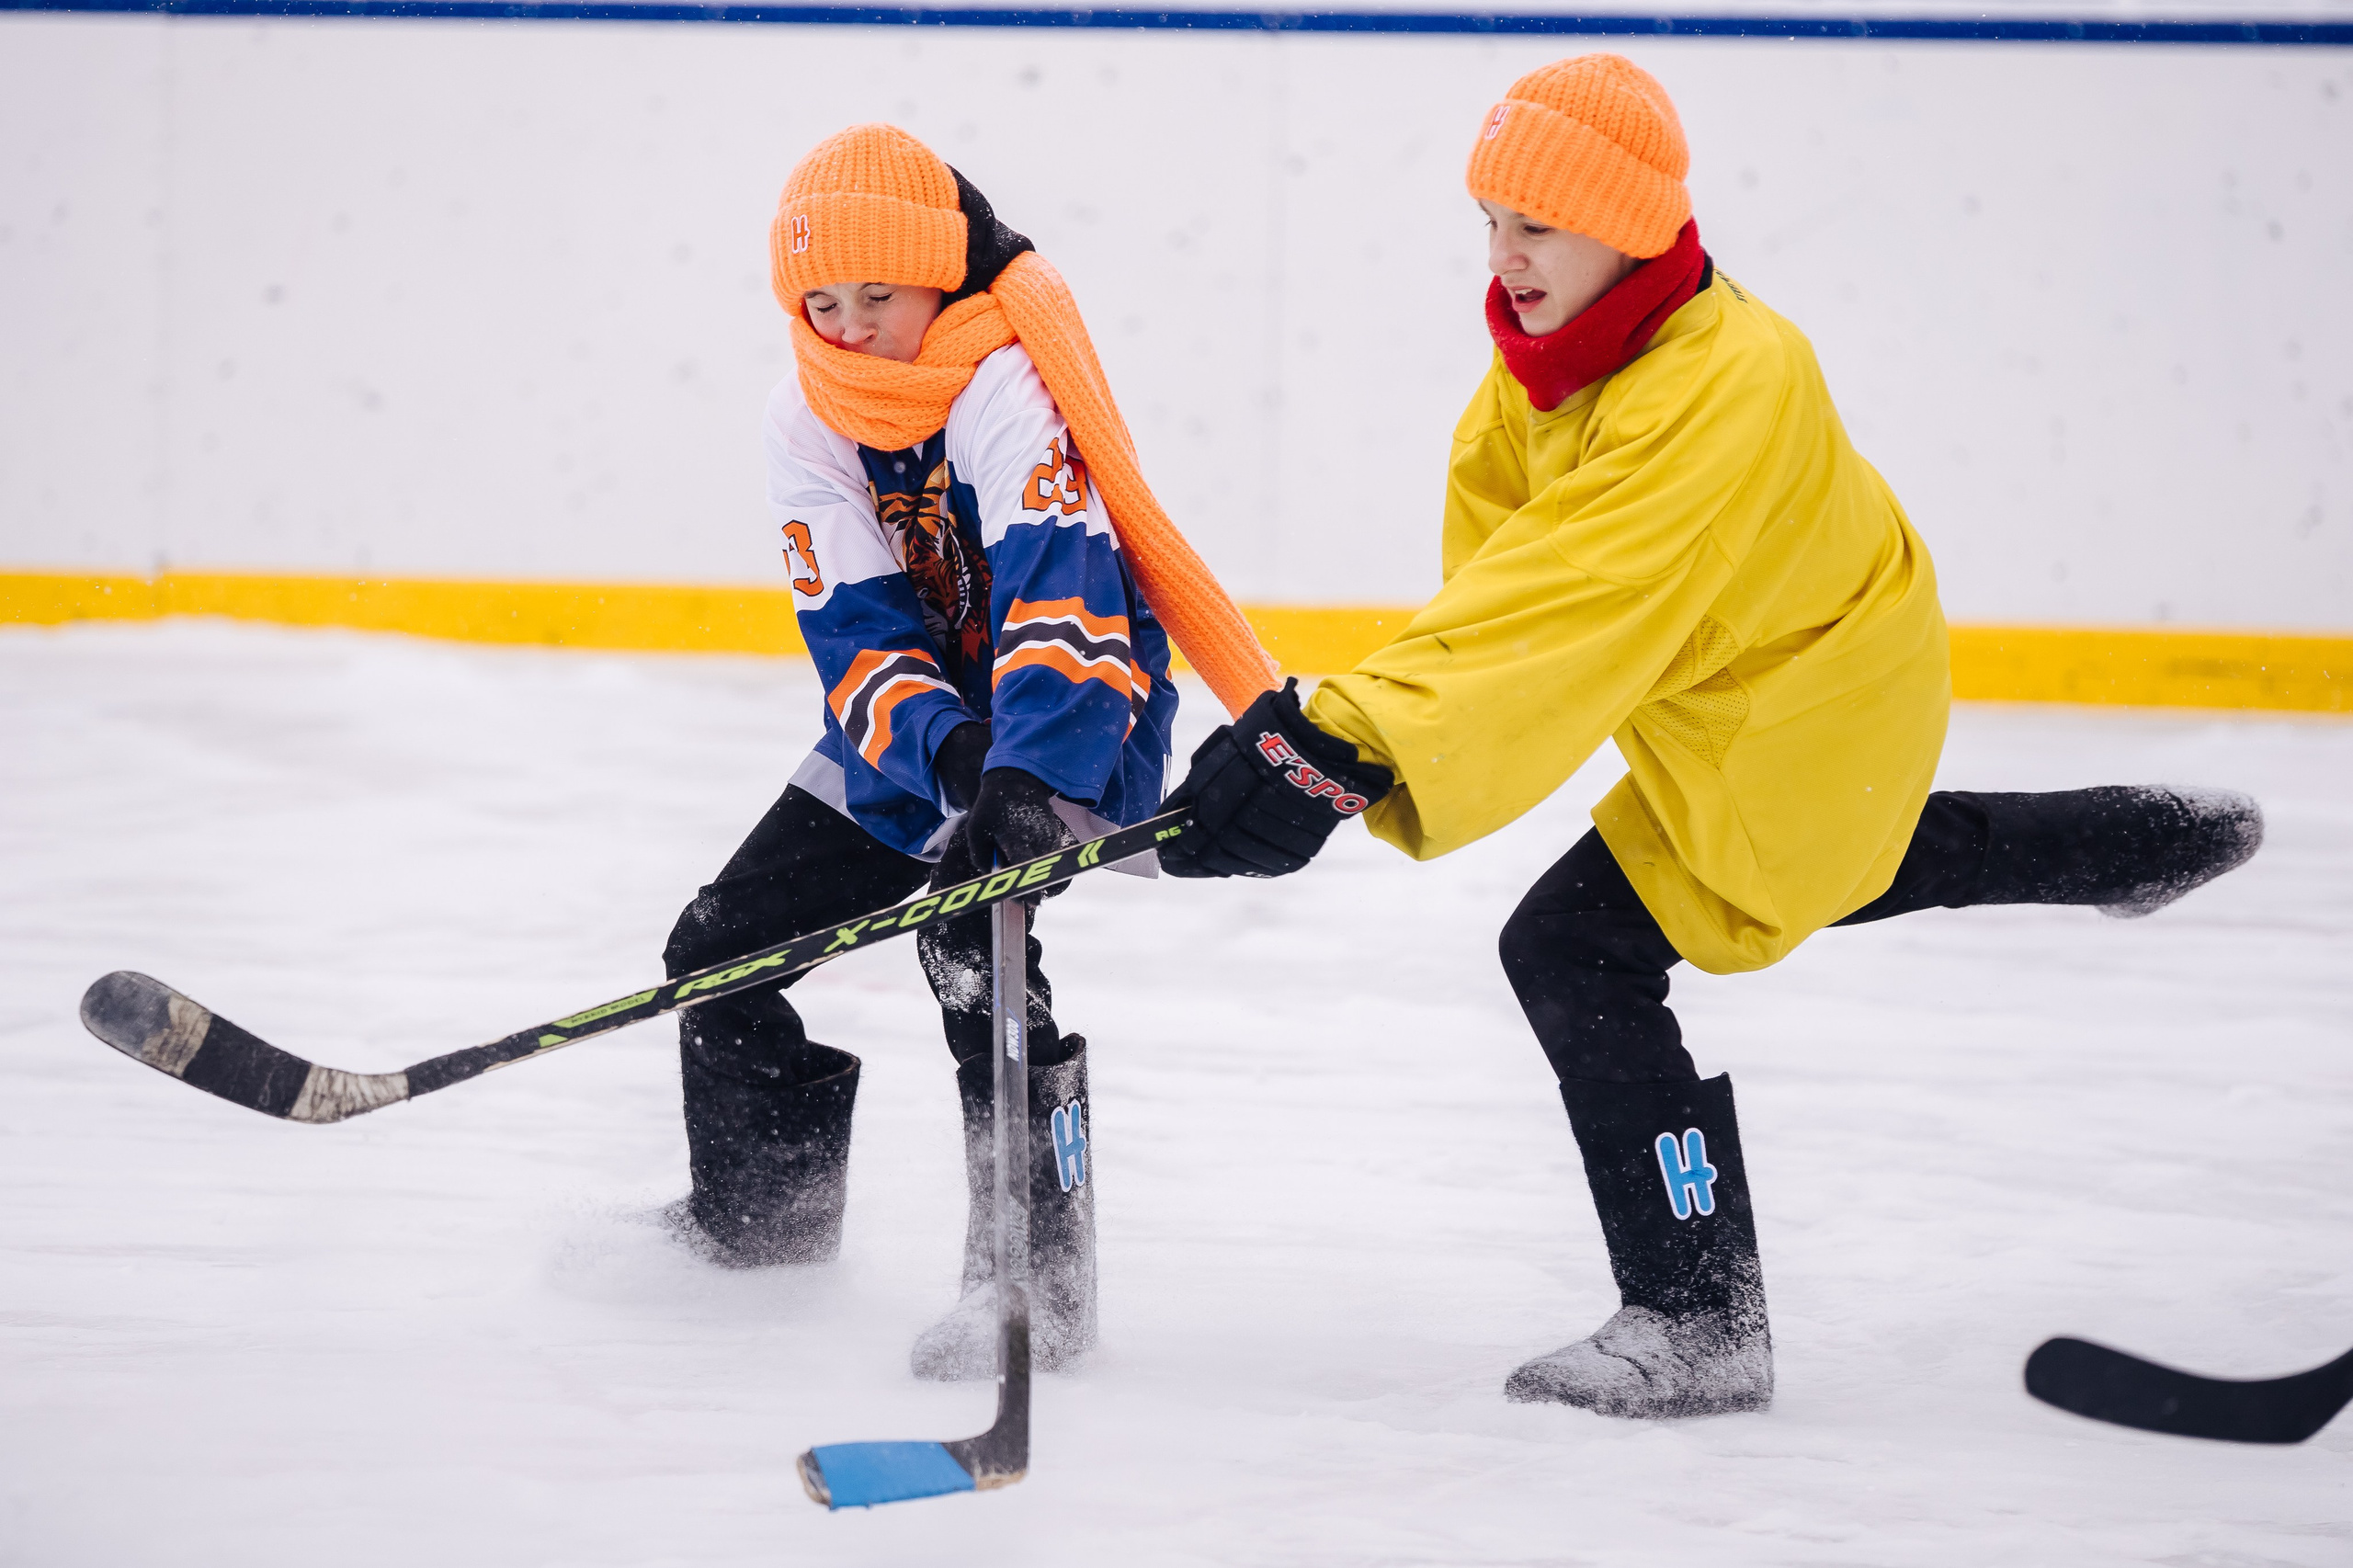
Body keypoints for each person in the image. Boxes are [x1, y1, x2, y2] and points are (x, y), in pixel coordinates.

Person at [1158, 55, 2262, 1419]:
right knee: (1836, 857)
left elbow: (1566, 602)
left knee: (1579, 945)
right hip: (1745, 701)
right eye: (1489, 221)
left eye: (1537, 224)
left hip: (1814, 698)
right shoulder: (1543, 380)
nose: (1502, 257)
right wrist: (1347, 749)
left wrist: (1346, 739)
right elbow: (1503, 605)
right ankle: (2131, 841)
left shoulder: (1731, 377)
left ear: (1629, 227)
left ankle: (1698, 1316)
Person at [661, 124, 1274, 1381]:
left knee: (968, 945)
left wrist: (1025, 776)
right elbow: (854, 624)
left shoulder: (1003, 379)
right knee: (717, 950)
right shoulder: (806, 412)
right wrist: (944, 754)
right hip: (922, 734)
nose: (850, 329)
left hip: (1076, 712)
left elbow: (1067, 587)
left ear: (937, 276)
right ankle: (759, 1231)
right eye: (822, 304)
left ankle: (1037, 1283)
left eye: (876, 296)